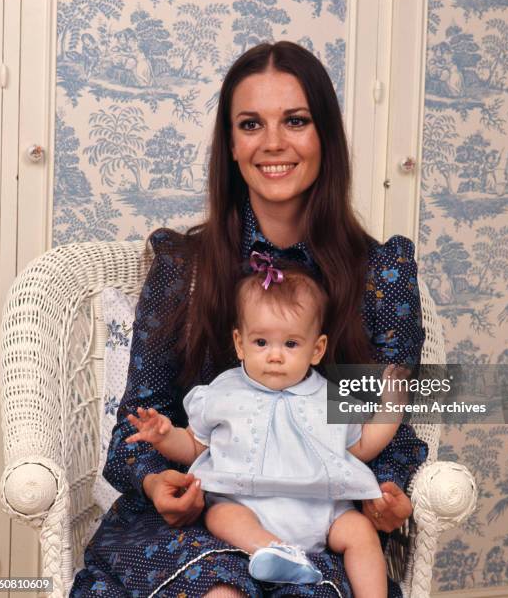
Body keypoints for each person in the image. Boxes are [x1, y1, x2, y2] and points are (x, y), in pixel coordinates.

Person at [71, 40, 427, 598]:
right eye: (250, 124)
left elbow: (391, 424)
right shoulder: (183, 269)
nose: (273, 143)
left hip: (312, 526)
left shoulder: (380, 273)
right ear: (231, 145)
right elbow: (139, 424)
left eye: (296, 120)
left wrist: (388, 492)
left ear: (325, 138)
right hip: (204, 519)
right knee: (218, 591)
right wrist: (157, 478)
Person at [125, 267, 407, 597]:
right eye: (261, 342)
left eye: (290, 343)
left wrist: (391, 409)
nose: (274, 356)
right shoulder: (222, 392)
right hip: (246, 505)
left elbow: (360, 447)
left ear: (316, 350)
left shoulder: (332, 398)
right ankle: (275, 551)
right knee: (221, 515)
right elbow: (193, 446)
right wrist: (165, 435)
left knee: (360, 533)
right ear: (239, 343)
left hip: (322, 510)